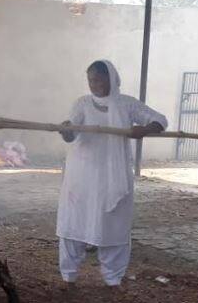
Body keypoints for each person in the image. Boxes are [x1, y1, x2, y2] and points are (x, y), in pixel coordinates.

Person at [57, 60, 166, 286]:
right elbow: (71, 135)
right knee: (75, 221)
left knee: (113, 224)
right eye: (90, 80)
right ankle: (69, 276)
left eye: (97, 79)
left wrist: (144, 130)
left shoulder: (126, 104)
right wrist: (66, 130)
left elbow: (160, 120)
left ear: (110, 79)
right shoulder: (82, 104)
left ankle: (113, 277)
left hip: (112, 176)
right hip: (82, 175)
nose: (93, 84)